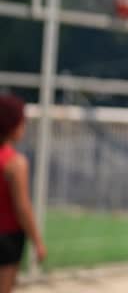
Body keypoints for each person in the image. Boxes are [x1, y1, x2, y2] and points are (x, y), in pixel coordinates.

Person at [0, 94, 46, 293]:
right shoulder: (15, 163)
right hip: (7, 238)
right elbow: (22, 207)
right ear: (13, 125)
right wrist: (37, 241)